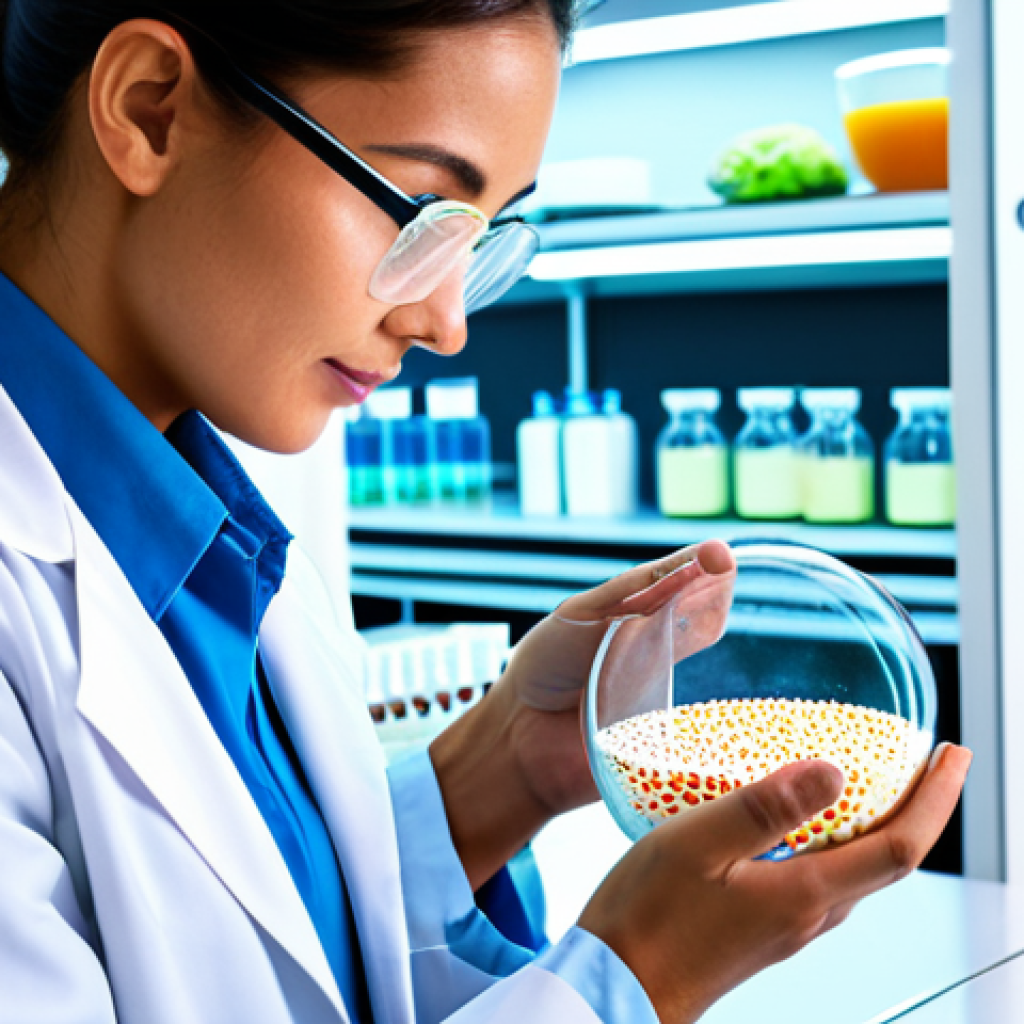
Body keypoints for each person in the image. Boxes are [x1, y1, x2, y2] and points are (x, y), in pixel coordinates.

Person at [0, 2, 970, 1022]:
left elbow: (298, 946)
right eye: (423, 213)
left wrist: (501, 768)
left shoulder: (215, 523)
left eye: (485, 235)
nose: (446, 322)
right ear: (149, 108)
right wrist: (633, 979)